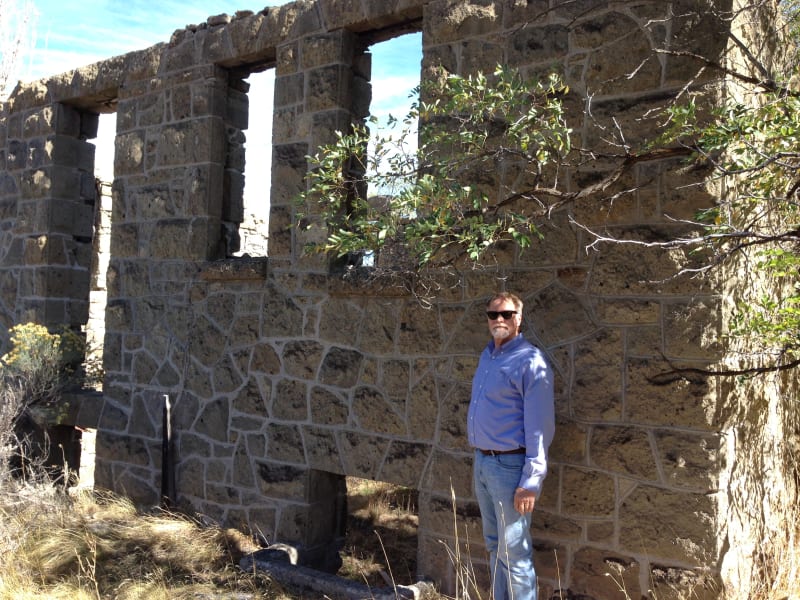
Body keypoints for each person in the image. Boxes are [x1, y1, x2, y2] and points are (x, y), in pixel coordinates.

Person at [468, 291, 555, 600]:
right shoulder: (488, 355)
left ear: (520, 318)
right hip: (483, 463)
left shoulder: (531, 360)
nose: (499, 320)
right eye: (493, 315)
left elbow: (540, 426)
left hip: (510, 468)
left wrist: (531, 480)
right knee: (495, 545)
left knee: (515, 552)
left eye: (506, 314)